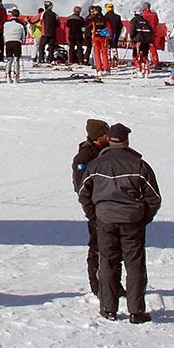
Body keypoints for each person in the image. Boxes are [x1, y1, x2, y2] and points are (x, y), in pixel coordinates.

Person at [78, 122, 160, 324]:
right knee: (135, 264)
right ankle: (136, 310)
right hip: (131, 221)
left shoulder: (96, 164)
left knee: (107, 263)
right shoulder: (139, 165)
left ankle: (108, 308)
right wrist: (143, 217)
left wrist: (95, 214)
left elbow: (83, 193)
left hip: (105, 219)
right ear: (126, 140)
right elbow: (154, 197)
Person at [72, 119, 110, 297]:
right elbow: (81, 186)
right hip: (96, 208)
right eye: (105, 134)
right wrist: (91, 209)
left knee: (112, 249)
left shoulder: (106, 151)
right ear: (97, 137)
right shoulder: (85, 157)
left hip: (110, 207)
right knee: (97, 247)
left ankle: (112, 284)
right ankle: (97, 286)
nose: (108, 137)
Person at [3, 8, 27, 83]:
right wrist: (23, 39)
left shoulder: (6, 23)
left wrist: (5, 40)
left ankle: (7, 75)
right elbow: (24, 34)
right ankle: (16, 76)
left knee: (9, 59)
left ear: (11, 15)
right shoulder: (21, 23)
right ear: (18, 15)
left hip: (8, 41)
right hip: (17, 42)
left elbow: (3, 33)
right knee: (16, 59)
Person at [129, 9, 154, 76]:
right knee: (145, 55)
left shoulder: (134, 20)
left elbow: (132, 30)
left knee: (135, 55)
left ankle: (139, 69)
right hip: (146, 41)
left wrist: (131, 37)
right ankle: (146, 68)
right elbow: (152, 31)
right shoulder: (146, 21)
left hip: (138, 40)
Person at [90, 5, 111, 78]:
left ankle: (99, 69)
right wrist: (109, 36)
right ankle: (106, 69)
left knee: (97, 54)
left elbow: (89, 26)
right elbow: (108, 28)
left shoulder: (93, 18)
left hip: (96, 37)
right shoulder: (105, 18)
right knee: (104, 53)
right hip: (104, 37)